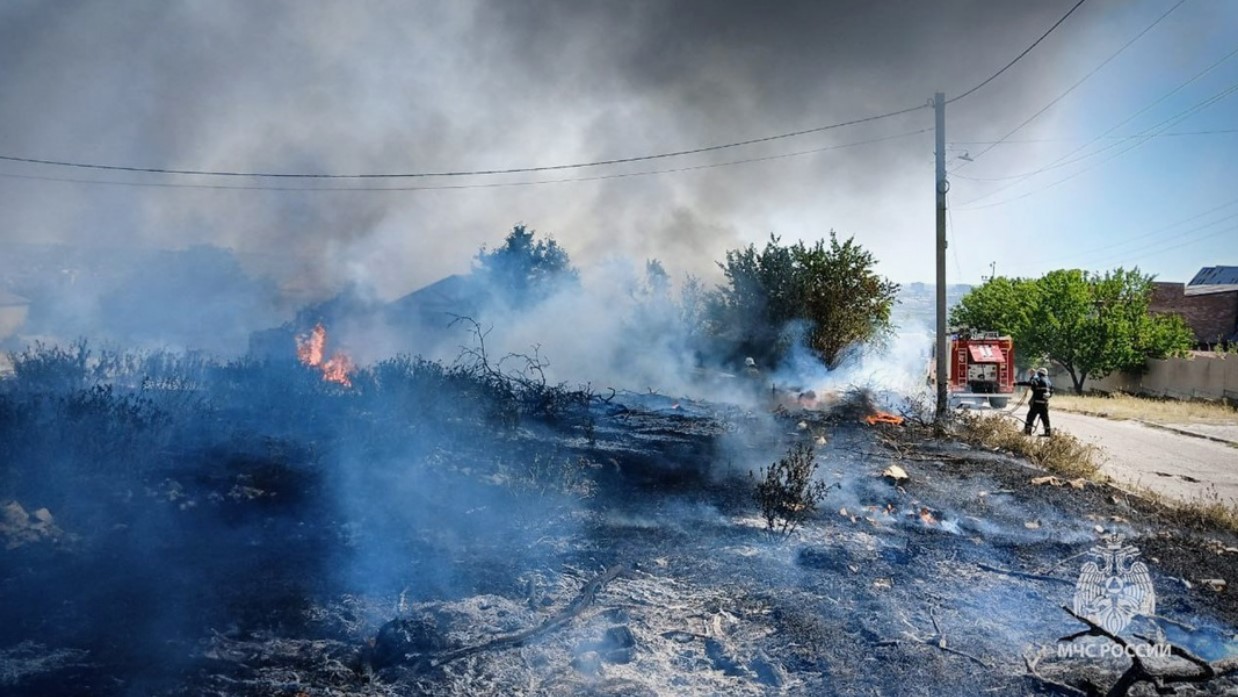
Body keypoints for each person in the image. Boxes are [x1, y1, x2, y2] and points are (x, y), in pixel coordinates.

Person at [1015, 367, 1053, 436]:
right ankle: (1047, 433)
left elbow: (1030, 383)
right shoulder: (1049, 382)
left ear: (1039, 373)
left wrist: (1016, 383)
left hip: (1036, 404)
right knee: (1045, 419)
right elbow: (1051, 393)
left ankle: (1027, 432)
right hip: (1045, 404)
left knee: (1030, 417)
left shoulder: (1038, 379)